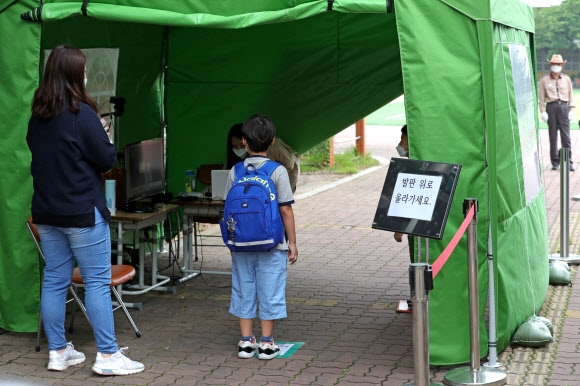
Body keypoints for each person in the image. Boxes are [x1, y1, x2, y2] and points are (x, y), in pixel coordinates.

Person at [26, 45, 144, 376]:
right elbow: (106, 160)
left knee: (54, 280)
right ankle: (107, 356)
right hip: (82, 212)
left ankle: (58, 351)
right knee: (96, 281)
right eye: (84, 69)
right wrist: (104, 136)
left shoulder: (38, 116)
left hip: (47, 213)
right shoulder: (83, 114)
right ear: (77, 75)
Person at [224, 114, 298, 360]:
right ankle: (267, 343)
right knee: (271, 289)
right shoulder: (277, 171)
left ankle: (246, 342)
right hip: (272, 244)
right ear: (272, 141)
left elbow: (228, 207)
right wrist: (293, 243)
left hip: (241, 243)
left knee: (244, 288)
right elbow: (286, 208)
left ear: (243, 142)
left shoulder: (235, 170)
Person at [225, 122, 300, 192]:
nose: (238, 149)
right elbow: (225, 172)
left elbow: (290, 164)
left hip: (284, 183)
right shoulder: (233, 156)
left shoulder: (272, 146)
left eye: (242, 145)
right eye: (234, 146)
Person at [539, 54, 576, 171]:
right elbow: (541, 98)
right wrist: (543, 111)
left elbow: (571, 95)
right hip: (551, 107)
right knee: (553, 137)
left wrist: (572, 109)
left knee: (566, 137)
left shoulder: (566, 79)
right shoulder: (544, 80)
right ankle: (555, 162)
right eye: (554, 64)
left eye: (558, 64)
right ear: (550, 65)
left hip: (564, 108)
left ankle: (568, 161)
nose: (556, 66)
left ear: (562, 66)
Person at [393, 125, 415, 264]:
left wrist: (400, 228)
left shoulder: (414, 168)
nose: (400, 145)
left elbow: (410, 200)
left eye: (403, 139)